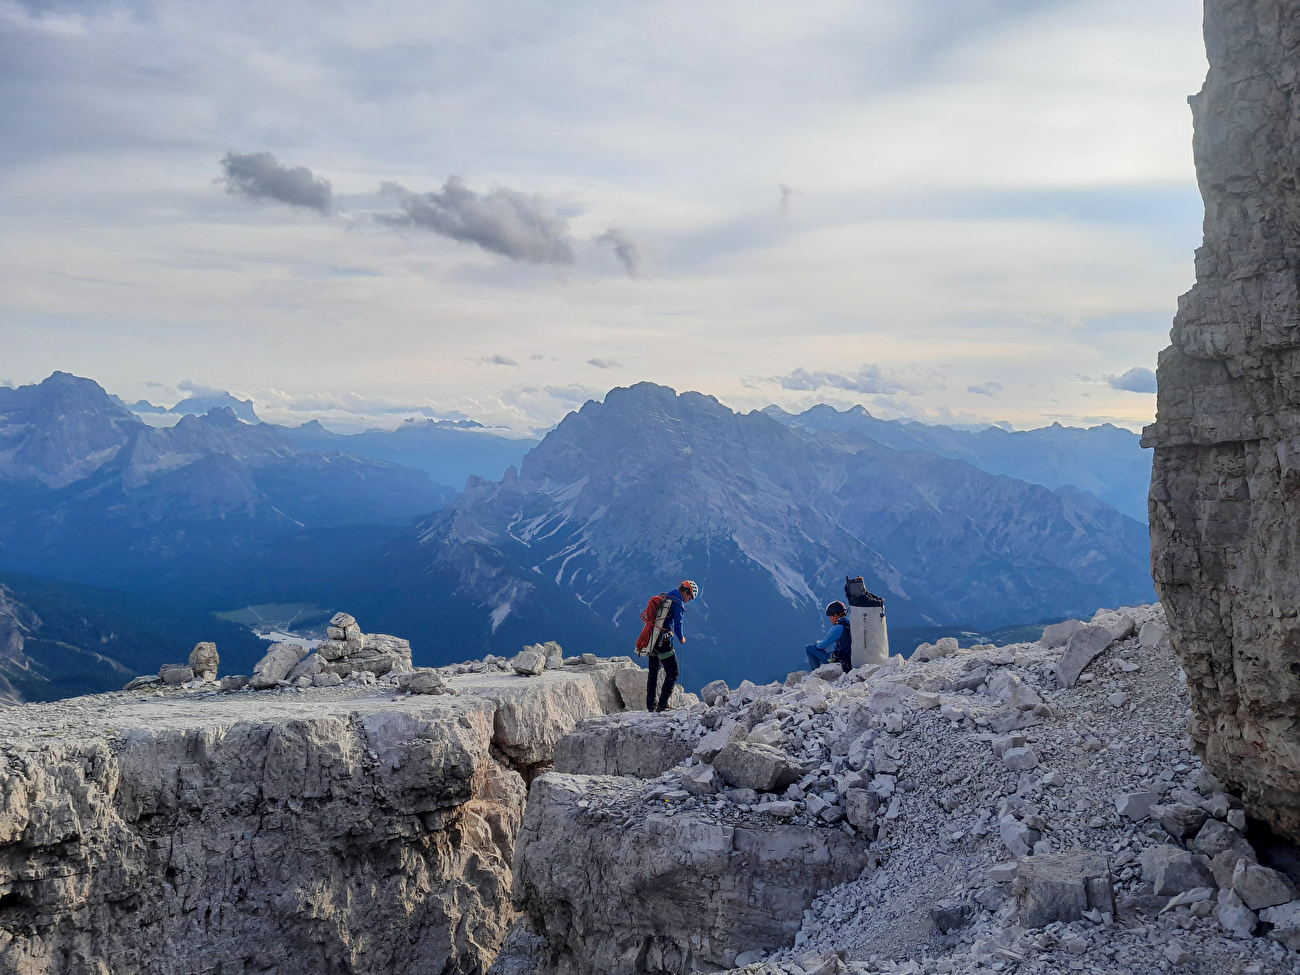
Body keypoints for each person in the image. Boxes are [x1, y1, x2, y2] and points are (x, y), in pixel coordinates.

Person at [646, 579, 699, 711]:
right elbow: (678, 624)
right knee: (673, 671)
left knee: (653, 672)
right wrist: (681, 638)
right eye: (690, 597)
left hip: (653, 638)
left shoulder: (666, 595)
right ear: (686, 593)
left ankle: (651, 706)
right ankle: (663, 703)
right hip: (664, 641)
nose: (689, 600)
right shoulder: (678, 602)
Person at [805, 600, 852, 673]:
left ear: (836, 615)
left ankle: (814, 673)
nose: (830, 619)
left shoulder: (838, 628)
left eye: (830, 616)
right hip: (850, 659)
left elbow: (821, 646)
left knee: (809, 649)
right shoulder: (849, 623)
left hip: (841, 661)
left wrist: (817, 643)